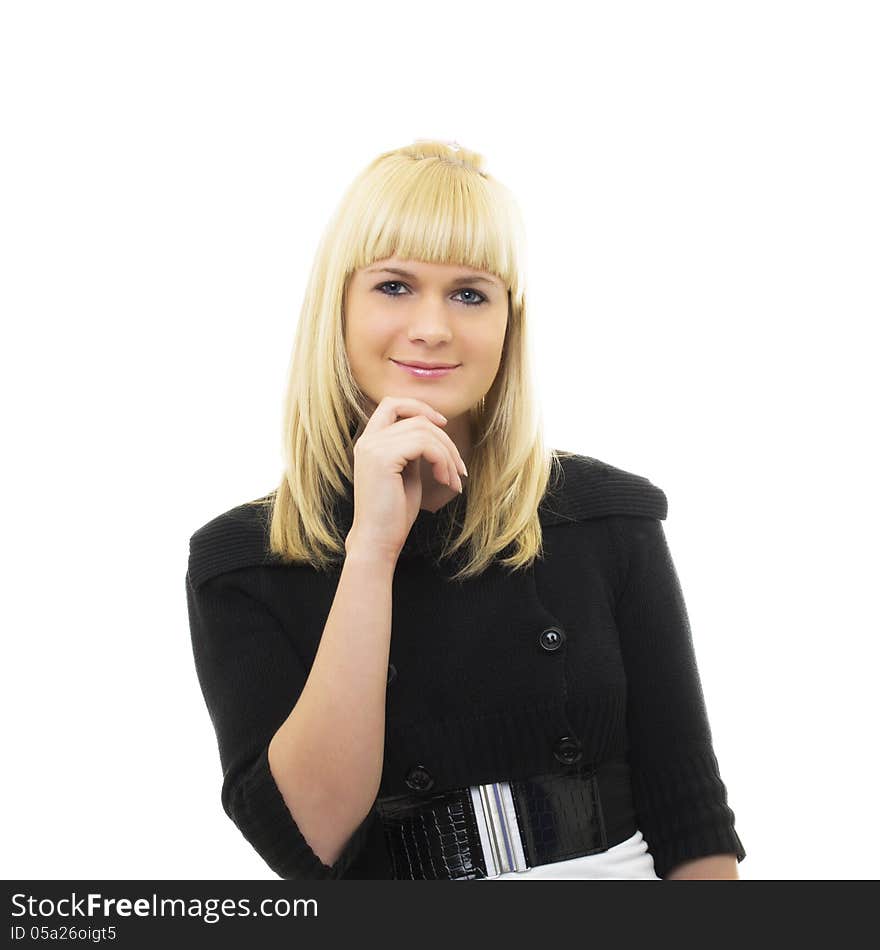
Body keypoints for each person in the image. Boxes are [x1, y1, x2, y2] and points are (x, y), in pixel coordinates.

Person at [185, 139, 746, 880]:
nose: (433, 327)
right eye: (393, 286)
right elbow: (309, 841)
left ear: (509, 323)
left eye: (470, 293)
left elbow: (691, 820)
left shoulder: (606, 518)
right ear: (338, 305)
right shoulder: (246, 561)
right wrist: (372, 550)